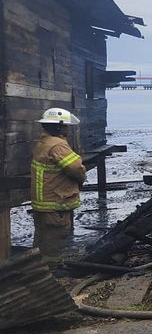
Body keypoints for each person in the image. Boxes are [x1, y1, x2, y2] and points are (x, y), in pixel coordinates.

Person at [31, 108, 86, 255]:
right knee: (54, 241)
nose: (67, 128)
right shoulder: (58, 146)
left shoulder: (43, 142)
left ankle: (36, 269)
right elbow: (77, 169)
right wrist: (82, 178)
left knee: (42, 239)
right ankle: (51, 271)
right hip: (56, 203)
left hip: (43, 203)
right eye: (65, 125)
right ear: (58, 126)